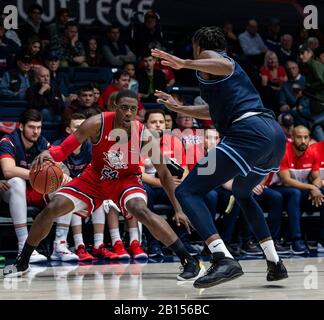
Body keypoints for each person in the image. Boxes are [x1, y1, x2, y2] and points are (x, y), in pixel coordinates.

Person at [4, 89, 204, 281]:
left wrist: (178, 209)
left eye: (132, 109)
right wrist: (50, 153)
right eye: (124, 108)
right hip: (95, 178)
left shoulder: (144, 135)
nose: (128, 113)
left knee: (140, 210)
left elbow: (164, 173)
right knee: (52, 208)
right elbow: (65, 149)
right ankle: (23, 261)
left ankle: (189, 260)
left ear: (137, 111)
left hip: (126, 180)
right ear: (115, 106)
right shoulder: (95, 123)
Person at [152, 26, 288, 288]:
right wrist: (179, 108)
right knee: (243, 192)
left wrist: (185, 63)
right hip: (273, 137)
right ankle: (274, 262)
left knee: (188, 191)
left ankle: (222, 257)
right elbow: (211, 111)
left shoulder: (220, 61)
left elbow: (221, 64)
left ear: (198, 46)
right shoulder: (217, 75)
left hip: (248, 134)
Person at [0, 109, 49, 263]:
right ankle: (24, 246)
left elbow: (58, 168)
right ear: (21, 127)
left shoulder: (43, 142)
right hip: (7, 191)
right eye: (31, 127)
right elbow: (8, 171)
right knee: (16, 181)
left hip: (34, 190)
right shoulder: (8, 141)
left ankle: (61, 245)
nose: (36, 131)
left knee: (62, 188)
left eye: (39, 127)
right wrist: (38, 175)